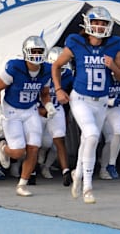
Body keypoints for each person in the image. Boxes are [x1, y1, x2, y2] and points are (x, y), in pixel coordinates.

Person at [51, 6, 120, 204]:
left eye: (103, 23)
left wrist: (112, 66)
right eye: (96, 22)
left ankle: (78, 174)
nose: (99, 26)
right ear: (88, 24)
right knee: (92, 135)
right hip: (80, 99)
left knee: (88, 140)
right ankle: (87, 186)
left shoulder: (114, 44)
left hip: (102, 101)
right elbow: (56, 65)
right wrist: (58, 89)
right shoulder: (76, 42)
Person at [0, 36, 57, 197]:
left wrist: (48, 105)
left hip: (30, 110)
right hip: (12, 110)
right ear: (26, 52)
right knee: (18, 152)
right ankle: (3, 147)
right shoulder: (15, 67)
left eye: (39, 51)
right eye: (33, 51)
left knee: (34, 147)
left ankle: (22, 184)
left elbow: (44, 92)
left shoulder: (47, 70)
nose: (36, 54)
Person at [37, 47, 73, 186]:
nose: (60, 71)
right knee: (41, 142)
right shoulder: (42, 72)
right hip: (41, 110)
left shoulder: (68, 75)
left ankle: (64, 171)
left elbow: (70, 93)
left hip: (57, 109)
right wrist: (39, 109)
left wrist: (67, 112)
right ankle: (29, 169)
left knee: (58, 141)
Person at [98, 68, 120, 180]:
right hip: (101, 108)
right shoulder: (103, 77)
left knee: (118, 133)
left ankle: (110, 165)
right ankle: (82, 167)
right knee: (93, 139)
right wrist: (109, 101)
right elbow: (93, 96)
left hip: (115, 109)